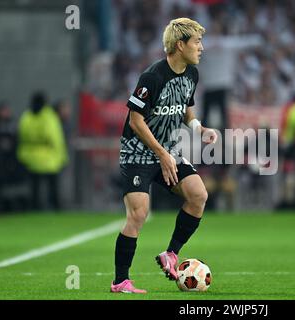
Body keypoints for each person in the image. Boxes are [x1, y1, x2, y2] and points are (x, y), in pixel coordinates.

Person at [111, 18, 217, 294]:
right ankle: (121, 281)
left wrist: (198, 128)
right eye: (197, 42)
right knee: (138, 215)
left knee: (198, 195)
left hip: (167, 152)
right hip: (138, 153)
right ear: (180, 45)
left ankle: (171, 254)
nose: (201, 48)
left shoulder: (191, 74)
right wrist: (161, 154)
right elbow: (135, 120)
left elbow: (184, 107)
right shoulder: (152, 77)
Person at [16, 92, 68, 210]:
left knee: (35, 187)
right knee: (53, 186)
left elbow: (21, 136)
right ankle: (55, 207)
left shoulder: (26, 116)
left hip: (30, 158)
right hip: (49, 159)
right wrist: (63, 157)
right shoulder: (49, 116)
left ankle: (35, 208)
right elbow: (56, 138)